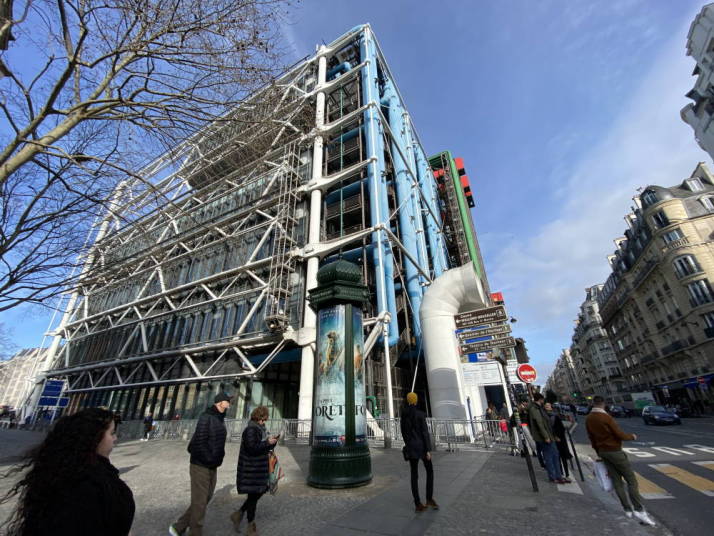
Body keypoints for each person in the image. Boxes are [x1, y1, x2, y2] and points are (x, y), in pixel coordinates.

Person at [1, 408, 135, 535]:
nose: (115, 438)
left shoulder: (58, 473)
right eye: (112, 433)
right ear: (94, 437)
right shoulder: (93, 487)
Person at [586, 396, 656, 526]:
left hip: (603, 452)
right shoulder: (606, 417)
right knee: (631, 480)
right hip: (615, 451)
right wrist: (632, 436)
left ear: (593, 403)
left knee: (616, 481)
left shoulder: (589, 418)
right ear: (603, 404)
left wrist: (598, 452)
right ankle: (638, 509)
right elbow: (619, 434)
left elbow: (591, 438)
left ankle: (627, 509)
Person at [170, 393, 232, 536]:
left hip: (212, 465)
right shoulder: (207, 417)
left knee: (205, 498)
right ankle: (195, 532)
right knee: (200, 501)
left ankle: (179, 526)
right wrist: (210, 459)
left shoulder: (219, 418)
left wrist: (217, 459)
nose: (229, 403)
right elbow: (199, 442)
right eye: (227, 401)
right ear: (219, 402)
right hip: (200, 465)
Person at [231, 406, 279, 535]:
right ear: (257, 417)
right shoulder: (251, 429)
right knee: (253, 496)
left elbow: (263, 446)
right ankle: (250, 526)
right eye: (262, 419)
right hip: (251, 469)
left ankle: (239, 514)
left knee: (258, 492)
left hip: (258, 468)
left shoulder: (260, 429)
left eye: (265, 420)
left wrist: (272, 442)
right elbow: (252, 448)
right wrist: (267, 442)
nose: (264, 422)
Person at [400, 392, 438, 513]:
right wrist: (427, 450)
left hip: (411, 447)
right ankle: (429, 498)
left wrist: (408, 444)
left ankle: (417, 503)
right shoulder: (420, 415)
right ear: (415, 401)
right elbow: (424, 433)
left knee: (414, 475)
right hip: (422, 447)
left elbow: (403, 432)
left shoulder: (404, 415)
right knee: (429, 471)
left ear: (408, 401)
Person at [528, 392, 570, 484]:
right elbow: (539, 423)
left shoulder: (540, 408)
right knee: (549, 457)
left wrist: (553, 435)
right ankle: (553, 477)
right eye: (543, 400)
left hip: (550, 435)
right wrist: (546, 436)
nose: (544, 401)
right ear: (540, 399)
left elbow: (546, 423)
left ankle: (559, 476)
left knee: (555, 455)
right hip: (544, 437)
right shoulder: (535, 409)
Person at [544, 402, 573, 478]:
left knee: (562, 456)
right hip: (551, 438)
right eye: (545, 406)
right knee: (556, 457)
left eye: (548, 406)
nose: (547, 407)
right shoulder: (544, 416)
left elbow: (561, 428)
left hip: (559, 439)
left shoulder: (556, 416)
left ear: (551, 407)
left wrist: (557, 436)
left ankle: (566, 473)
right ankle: (560, 473)